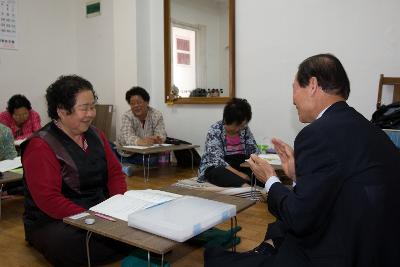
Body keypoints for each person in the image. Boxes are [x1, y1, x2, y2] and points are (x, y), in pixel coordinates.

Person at [204, 54, 400, 267]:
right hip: (377, 247)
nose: (292, 98)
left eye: (294, 87)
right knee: (278, 229)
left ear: (313, 85)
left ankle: (265, 251)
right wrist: (297, 175)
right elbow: (341, 185)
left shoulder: (317, 133)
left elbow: (299, 218)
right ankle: (267, 249)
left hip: (341, 249)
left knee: (218, 260)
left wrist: (270, 180)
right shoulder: (370, 129)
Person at [21, 75, 130, 266]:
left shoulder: (96, 134)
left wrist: (118, 205)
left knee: (138, 222)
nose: (91, 114)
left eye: (92, 106)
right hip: (56, 219)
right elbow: (49, 200)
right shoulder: (41, 145)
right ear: (62, 111)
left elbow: (115, 173)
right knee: (69, 244)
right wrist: (91, 218)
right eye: (84, 108)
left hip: (100, 208)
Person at [198, 98, 259, 187]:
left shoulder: (244, 129)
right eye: (237, 125)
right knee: (216, 172)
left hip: (240, 164)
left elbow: (254, 151)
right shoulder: (215, 130)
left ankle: (242, 183)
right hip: (220, 167)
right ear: (227, 120)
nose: (240, 128)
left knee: (261, 176)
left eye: (243, 125)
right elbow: (217, 161)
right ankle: (243, 186)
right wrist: (240, 175)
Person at [116, 86, 167, 166]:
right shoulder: (127, 116)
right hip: (127, 152)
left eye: (139, 102)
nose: (136, 106)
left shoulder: (156, 115)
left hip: (147, 152)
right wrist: (141, 141)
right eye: (132, 104)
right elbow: (127, 137)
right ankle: (119, 159)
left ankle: (122, 163)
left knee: (154, 160)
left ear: (147, 102)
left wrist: (157, 139)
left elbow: (162, 134)